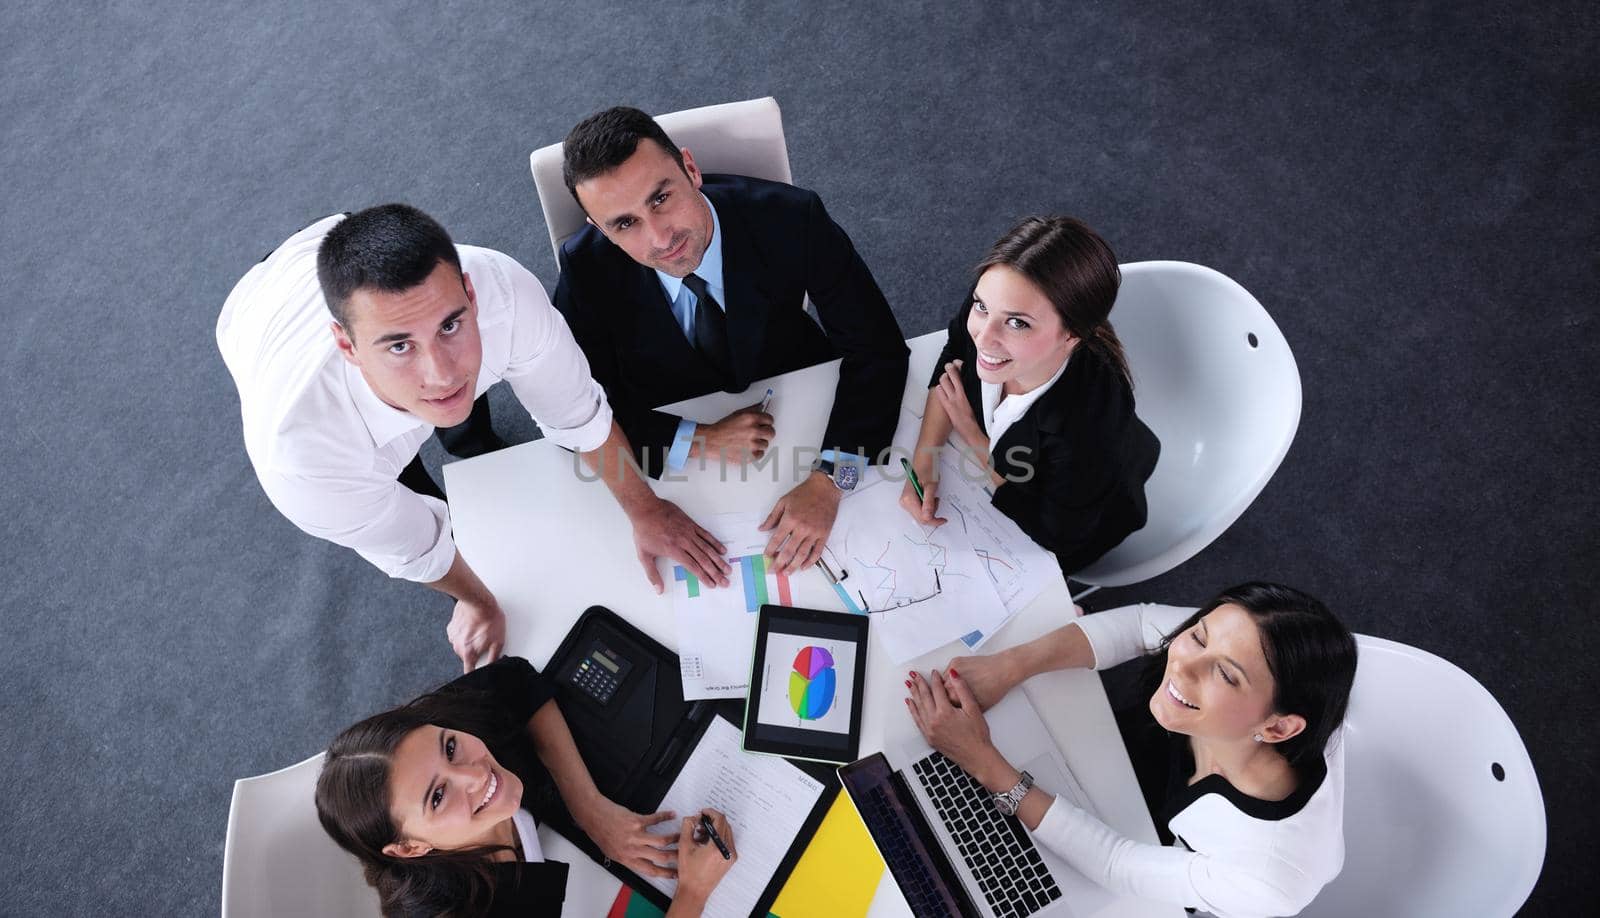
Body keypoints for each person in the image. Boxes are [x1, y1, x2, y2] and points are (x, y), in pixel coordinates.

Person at [217, 205, 734, 672]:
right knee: (408, 481)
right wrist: (479, 602)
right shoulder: (306, 463)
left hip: (330, 233)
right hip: (257, 314)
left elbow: (578, 413)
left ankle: (466, 436)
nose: (440, 373)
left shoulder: (503, 291)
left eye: (450, 325)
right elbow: (416, 548)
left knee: (461, 414)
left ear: (470, 293)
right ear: (347, 346)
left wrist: (645, 509)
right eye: (399, 346)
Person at [553, 106, 910, 574]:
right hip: (674, 431)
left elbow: (878, 350)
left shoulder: (793, 217)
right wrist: (697, 440)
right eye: (625, 224)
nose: (660, 238)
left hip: (796, 389)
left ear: (691, 168)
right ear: (601, 229)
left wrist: (832, 481)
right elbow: (570, 410)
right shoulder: (586, 267)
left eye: (661, 198)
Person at [904, 582, 1357, 918]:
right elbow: (1143, 624)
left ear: (1276, 728)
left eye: (1226, 675)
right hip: (1128, 768)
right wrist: (1011, 666)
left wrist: (984, 763)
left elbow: (1117, 863)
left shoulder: (1268, 877)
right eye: (1198, 637)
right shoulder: (1234, 654)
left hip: (1160, 856)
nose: (1180, 664)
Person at [316, 656, 736, 917]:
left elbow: (512, 680)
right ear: (410, 848)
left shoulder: (429, 736)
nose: (476, 774)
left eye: (450, 746)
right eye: (438, 796)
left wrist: (588, 809)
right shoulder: (492, 906)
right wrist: (694, 891)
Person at [900, 215, 1160, 575]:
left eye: (1017, 323)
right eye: (981, 306)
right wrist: (924, 461)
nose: (984, 337)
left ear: (1072, 335)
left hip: (1076, 521)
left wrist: (974, 435)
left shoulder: (1090, 430)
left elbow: (1056, 534)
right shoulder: (995, 306)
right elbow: (956, 353)